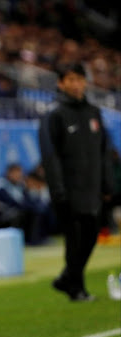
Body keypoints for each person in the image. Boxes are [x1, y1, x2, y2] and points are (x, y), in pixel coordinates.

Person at [39, 63, 114, 302]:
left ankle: (66, 278)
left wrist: (107, 183)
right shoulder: (55, 115)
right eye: (70, 79)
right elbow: (50, 155)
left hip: (92, 187)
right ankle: (76, 288)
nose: (76, 84)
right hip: (68, 189)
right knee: (74, 239)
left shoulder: (94, 113)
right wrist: (57, 187)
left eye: (79, 79)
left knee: (91, 236)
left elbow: (104, 151)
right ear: (61, 83)